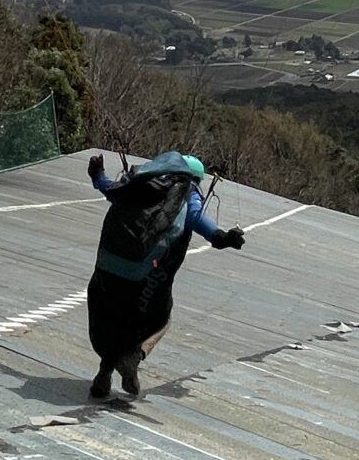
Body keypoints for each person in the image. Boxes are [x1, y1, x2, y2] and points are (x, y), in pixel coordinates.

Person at [84, 150, 245, 400]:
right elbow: (196, 217)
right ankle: (134, 357)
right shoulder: (184, 190)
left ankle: (104, 373)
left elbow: (110, 189)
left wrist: (98, 175)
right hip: (142, 274)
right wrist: (221, 237)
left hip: (108, 265)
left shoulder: (139, 183)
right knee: (159, 318)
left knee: (110, 314)